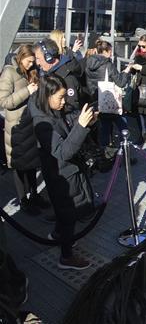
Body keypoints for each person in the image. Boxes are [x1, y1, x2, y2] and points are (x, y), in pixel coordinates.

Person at [31, 75, 99, 270]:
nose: (64, 102)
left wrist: (88, 121)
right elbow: (63, 152)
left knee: (64, 213)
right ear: (46, 96)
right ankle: (66, 257)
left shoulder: (52, 109)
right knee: (69, 214)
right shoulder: (41, 122)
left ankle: (58, 235)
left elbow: (69, 123)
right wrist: (82, 126)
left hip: (64, 173)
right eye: (59, 97)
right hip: (61, 175)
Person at [0, 45, 46, 214]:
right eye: (28, 61)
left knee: (32, 164)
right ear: (20, 57)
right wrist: (27, 91)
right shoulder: (8, 72)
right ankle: (23, 200)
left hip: (32, 125)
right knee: (19, 165)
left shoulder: (32, 71)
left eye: (33, 62)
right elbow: (3, 102)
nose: (30, 65)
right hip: (17, 127)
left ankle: (34, 195)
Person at [84, 40, 128, 156]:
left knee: (104, 127)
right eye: (110, 52)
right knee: (122, 124)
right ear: (105, 51)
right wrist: (126, 72)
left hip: (96, 100)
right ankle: (125, 152)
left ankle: (105, 154)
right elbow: (121, 82)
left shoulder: (88, 63)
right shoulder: (108, 64)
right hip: (109, 101)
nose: (111, 54)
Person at [33, 39, 85, 116]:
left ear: (49, 58)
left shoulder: (67, 78)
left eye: (38, 58)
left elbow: (72, 109)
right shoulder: (48, 74)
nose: (37, 63)